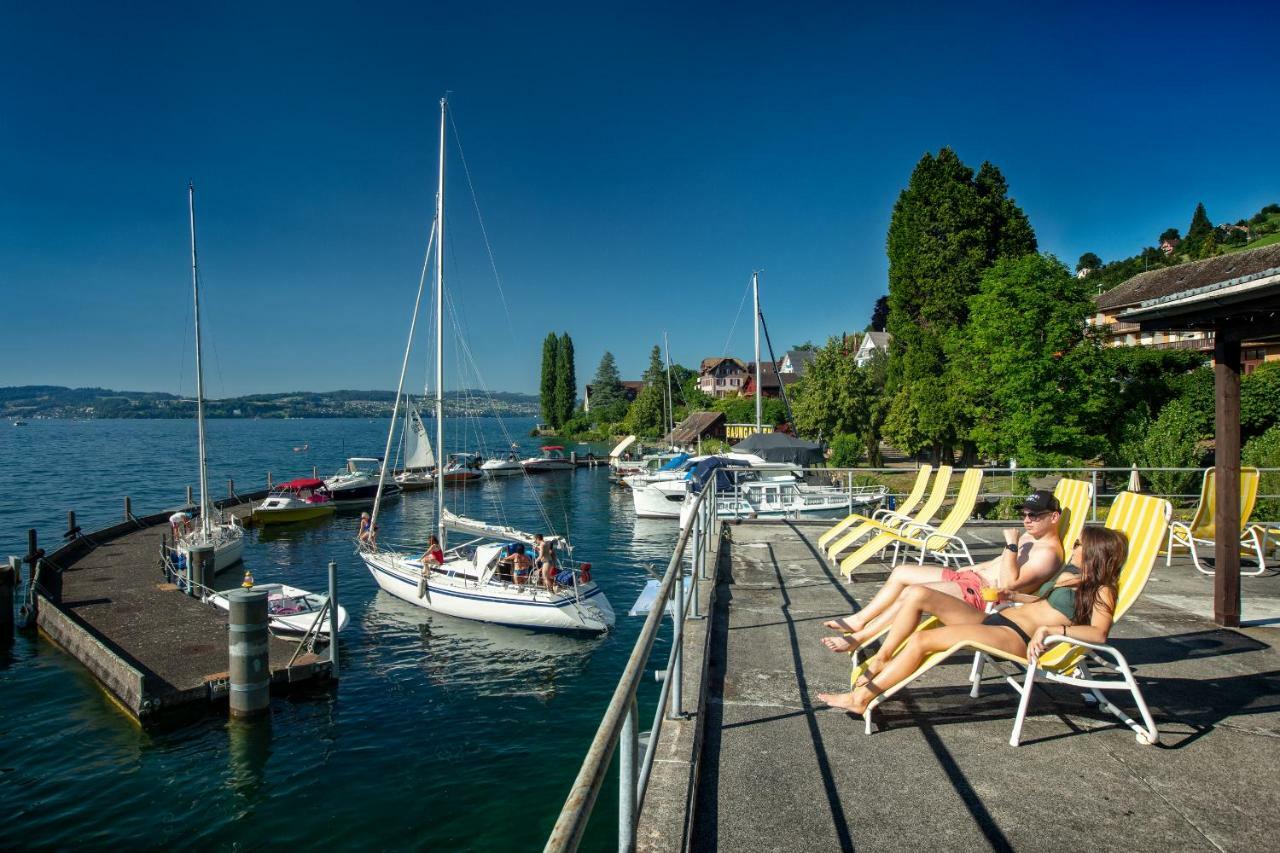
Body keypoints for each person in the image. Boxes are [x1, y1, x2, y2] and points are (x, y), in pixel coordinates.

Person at [817, 525, 1129, 714]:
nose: (1073, 546)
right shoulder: (1071, 576)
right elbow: (1040, 603)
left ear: (1093, 552)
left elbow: (1100, 634)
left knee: (922, 640)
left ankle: (861, 698)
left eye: (1078, 544)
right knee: (916, 593)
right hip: (1000, 619)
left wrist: (1051, 630)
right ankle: (882, 658)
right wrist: (1015, 598)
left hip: (1015, 638)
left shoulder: (1103, 589)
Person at [820, 490, 1065, 655]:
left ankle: (861, 638)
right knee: (901, 572)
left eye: (1034, 515)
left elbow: (1011, 583)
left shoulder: (1048, 554)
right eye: (1024, 514)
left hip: (980, 594)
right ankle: (859, 620)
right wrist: (975, 566)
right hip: (970, 577)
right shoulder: (1031, 537)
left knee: (913, 593)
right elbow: (999, 562)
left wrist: (1011, 545)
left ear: (1054, 517)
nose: (1027, 520)